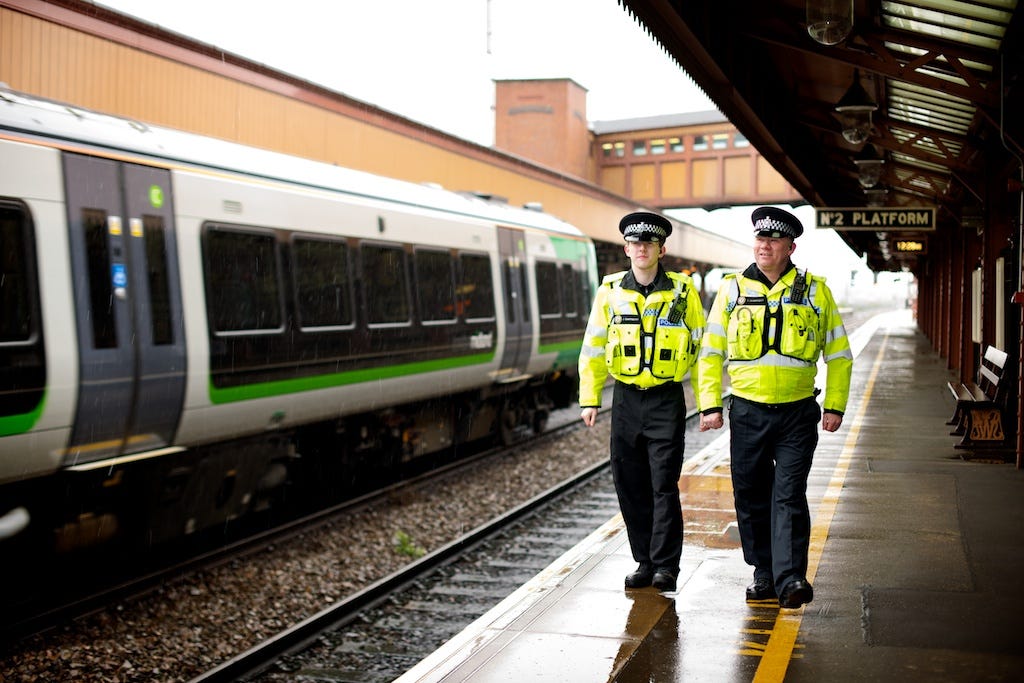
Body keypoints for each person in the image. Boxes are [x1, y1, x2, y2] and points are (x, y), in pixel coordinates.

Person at [697, 206, 853, 609]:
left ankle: (790, 578)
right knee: (751, 495)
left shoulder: (816, 291)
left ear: (790, 247)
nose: (764, 245)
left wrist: (835, 405)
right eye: (759, 238)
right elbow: (711, 353)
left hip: (797, 413)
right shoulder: (731, 290)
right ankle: (763, 571)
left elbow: (839, 354)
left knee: (788, 495)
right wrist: (709, 404)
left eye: (773, 240)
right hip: (747, 411)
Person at [579, 211, 706, 592]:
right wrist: (590, 398)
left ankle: (667, 565)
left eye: (648, 243)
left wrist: (708, 404)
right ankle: (644, 561)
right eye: (635, 243)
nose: (641, 249)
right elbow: (594, 347)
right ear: (626, 248)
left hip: (666, 399)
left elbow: (701, 350)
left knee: (663, 483)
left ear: (661, 249)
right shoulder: (610, 291)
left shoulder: (683, 292)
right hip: (626, 400)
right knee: (629, 482)